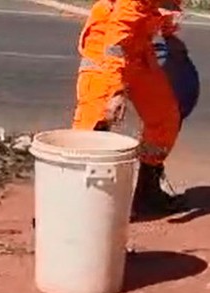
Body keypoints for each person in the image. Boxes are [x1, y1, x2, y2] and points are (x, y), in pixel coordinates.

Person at [71, 0, 184, 217]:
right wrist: (116, 91)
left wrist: (169, 34)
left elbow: (166, 8)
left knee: (164, 117)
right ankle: (69, 205)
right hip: (106, 49)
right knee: (92, 128)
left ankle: (147, 192)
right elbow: (116, 43)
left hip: (138, 48)